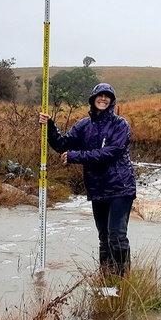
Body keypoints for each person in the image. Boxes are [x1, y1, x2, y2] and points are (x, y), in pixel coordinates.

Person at [38, 83, 137, 276]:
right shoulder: (84, 126)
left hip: (120, 188)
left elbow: (111, 153)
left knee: (116, 235)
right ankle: (106, 277)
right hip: (97, 188)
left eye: (107, 96)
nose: (103, 99)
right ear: (92, 99)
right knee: (103, 236)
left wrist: (77, 156)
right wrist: (49, 126)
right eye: (99, 95)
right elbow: (62, 144)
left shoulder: (120, 125)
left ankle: (123, 281)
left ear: (111, 100)